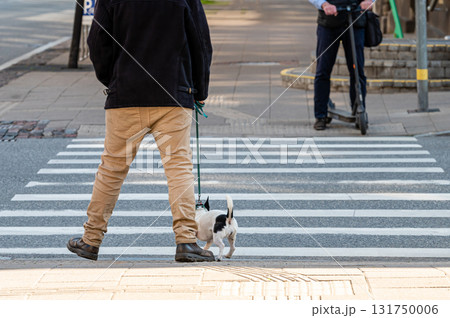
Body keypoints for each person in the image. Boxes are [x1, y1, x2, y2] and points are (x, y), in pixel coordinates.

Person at [67, 0, 215, 262]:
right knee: (178, 167)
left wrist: (113, 78)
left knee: (111, 169)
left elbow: (97, 42)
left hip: (126, 94)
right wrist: (199, 89)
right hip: (173, 91)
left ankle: (91, 241)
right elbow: (201, 43)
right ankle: (186, 241)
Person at [309, 0, 373, 130]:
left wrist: (370, 1)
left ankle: (359, 109)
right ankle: (320, 115)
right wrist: (323, 4)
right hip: (328, 22)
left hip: (355, 19)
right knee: (323, 70)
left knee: (357, 69)